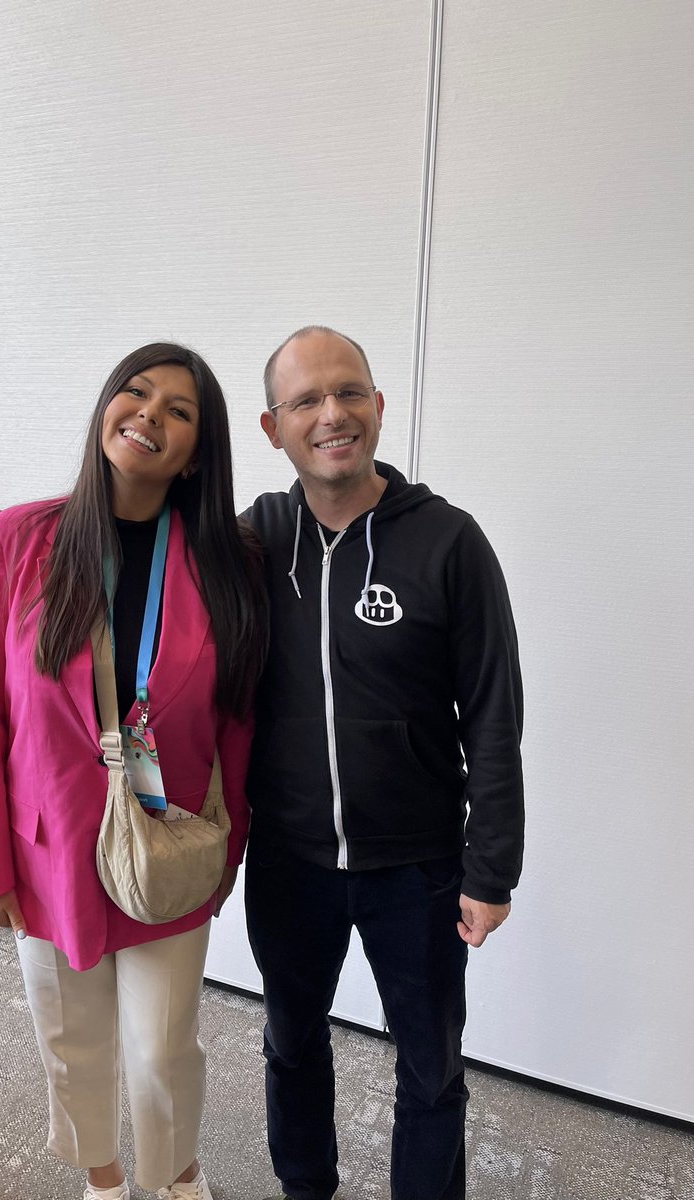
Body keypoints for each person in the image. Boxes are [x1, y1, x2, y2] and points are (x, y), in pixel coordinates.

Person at [0, 343, 267, 1200]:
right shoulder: (21, 539)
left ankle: (176, 1178)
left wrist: (225, 847)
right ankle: (102, 1179)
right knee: (70, 1035)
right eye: (135, 394)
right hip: (46, 846)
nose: (149, 416)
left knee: (164, 1043)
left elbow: (238, 722)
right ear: (104, 410)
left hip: (170, 842)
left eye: (178, 410)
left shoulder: (230, 562)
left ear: (197, 451)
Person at [242, 326, 524, 1200]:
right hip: (290, 863)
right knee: (291, 1044)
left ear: (377, 404)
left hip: (421, 867)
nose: (334, 414)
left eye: (350, 392)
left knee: (431, 1067)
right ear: (272, 426)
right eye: (307, 401)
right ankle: (305, 1189)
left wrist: (491, 869)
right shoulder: (253, 541)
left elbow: (493, 715)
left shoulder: (449, 543)